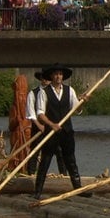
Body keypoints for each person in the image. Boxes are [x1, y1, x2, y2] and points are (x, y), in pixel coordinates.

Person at [33, 63, 88, 200]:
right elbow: (40, 114)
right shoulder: (43, 92)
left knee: (70, 160)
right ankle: (38, 192)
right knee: (46, 160)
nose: (58, 76)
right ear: (51, 76)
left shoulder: (70, 91)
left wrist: (83, 101)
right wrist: (52, 124)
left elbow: (77, 110)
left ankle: (78, 188)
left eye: (60, 74)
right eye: (56, 74)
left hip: (67, 131)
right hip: (51, 132)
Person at [26, 71, 67, 176]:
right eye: (43, 78)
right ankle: (31, 174)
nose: (46, 80)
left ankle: (64, 174)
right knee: (35, 151)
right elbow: (31, 112)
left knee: (60, 151)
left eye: (47, 78)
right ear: (40, 79)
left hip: (53, 128)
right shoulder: (33, 93)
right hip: (39, 128)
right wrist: (39, 125)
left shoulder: (56, 93)